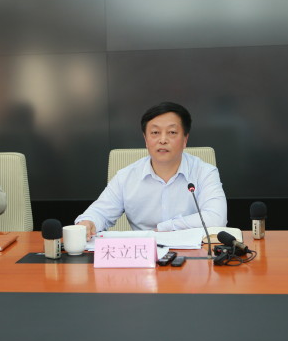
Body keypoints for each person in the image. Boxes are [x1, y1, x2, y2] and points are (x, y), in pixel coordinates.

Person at [75, 102, 227, 239]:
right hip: (144, 255)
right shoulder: (126, 177)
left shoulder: (204, 172)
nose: (163, 140)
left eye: (172, 132)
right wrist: (88, 222)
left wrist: (165, 227)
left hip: (194, 254)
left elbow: (216, 218)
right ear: (146, 140)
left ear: (185, 139)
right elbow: (100, 212)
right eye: (155, 133)